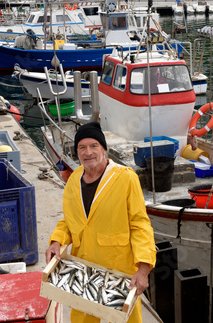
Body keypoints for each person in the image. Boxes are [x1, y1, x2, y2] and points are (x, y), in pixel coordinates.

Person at [45, 122, 157, 323]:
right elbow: (69, 221)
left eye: (94, 146)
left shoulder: (126, 178)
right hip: (83, 269)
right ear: (77, 152)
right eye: (82, 147)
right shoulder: (73, 180)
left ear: (104, 149)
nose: (88, 152)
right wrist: (56, 241)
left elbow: (140, 224)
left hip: (119, 272)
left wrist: (144, 268)